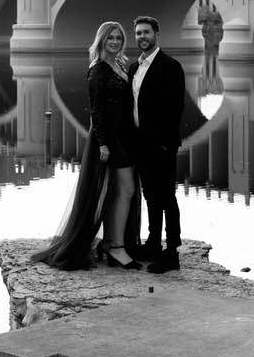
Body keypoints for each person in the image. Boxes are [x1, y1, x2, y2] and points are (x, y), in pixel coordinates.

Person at [30, 21, 141, 270]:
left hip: (124, 136)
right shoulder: (98, 70)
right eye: (110, 38)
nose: (115, 42)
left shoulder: (120, 64)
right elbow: (96, 111)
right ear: (101, 40)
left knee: (118, 191)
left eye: (119, 38)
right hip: (108, 139)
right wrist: (103, 144)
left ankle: (113, 242)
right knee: (127, 190)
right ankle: (116, 247)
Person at [128, 15, 186, 274]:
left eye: (146, 32)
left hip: (161, 146)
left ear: (157, 34)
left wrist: (163, 143)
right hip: (141, 145)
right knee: (150, 196)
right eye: (138, 33)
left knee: (167, 198)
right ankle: (153, 243)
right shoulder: (134, 68)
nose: (142, 37)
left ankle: (171, 253)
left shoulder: (170, 66)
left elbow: (176, 108)